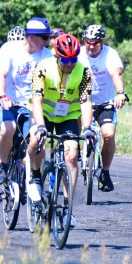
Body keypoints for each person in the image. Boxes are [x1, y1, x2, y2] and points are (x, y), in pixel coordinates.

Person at [27, 33, 94, 209]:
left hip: (68, 117)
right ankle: (35, 177)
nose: (70, 64)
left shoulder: (84, 71)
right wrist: (40, 126)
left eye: (73, 60)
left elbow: (86, 102)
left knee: (71, 156)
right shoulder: (43, 67)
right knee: (36, 140)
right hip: (45, 115)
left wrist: (87, 128)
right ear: (57, 57)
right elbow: (36, 100)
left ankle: (67, 207)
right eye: (65, 61)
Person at [0, 17, 55, 185]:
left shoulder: (47, 56)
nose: (48, 41)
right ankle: (2, 164)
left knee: (37, 137)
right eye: (45, 38)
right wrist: (3, 96)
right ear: (32, 37)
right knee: (7, 129)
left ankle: (35, 174)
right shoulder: (9, 49)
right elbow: (0, 75)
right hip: (6, 101)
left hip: (31, 105)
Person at [77, 24, 128, 192]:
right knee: (76, 122)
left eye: (95, 42)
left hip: (105, 102)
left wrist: (120, 93)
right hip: (84, 101)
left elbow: (116, 74)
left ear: (102, 42)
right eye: (88, 42)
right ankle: (76, 147)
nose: (91, 46)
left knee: (108, 134)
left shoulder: (110, 54)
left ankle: (105, 172)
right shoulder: (79, 54)